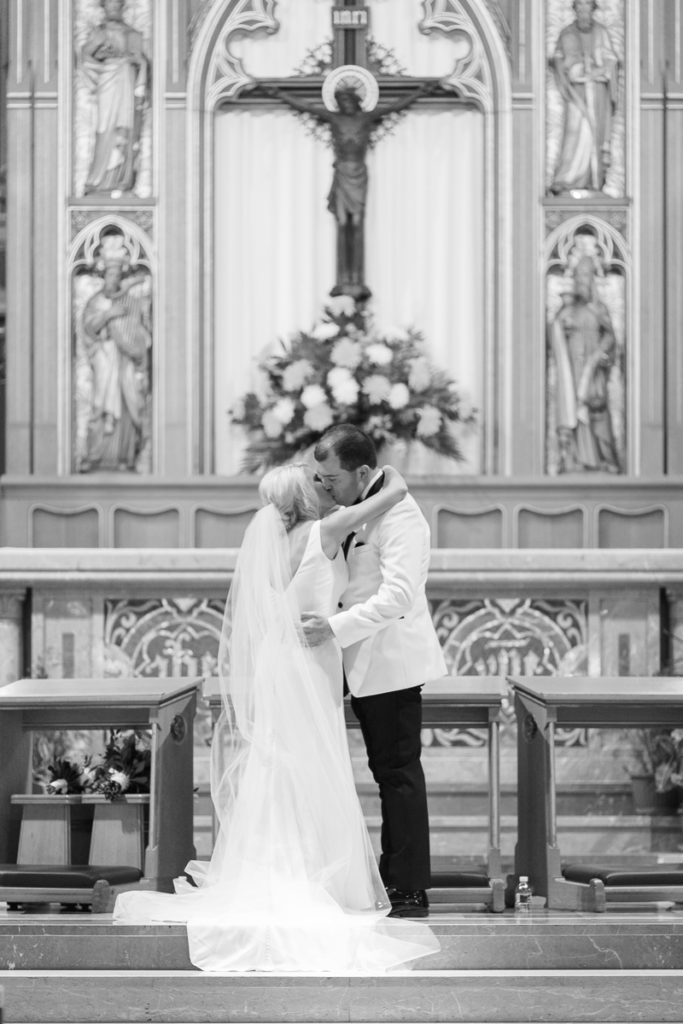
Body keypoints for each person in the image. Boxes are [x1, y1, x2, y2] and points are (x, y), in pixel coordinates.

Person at [113, 461, 439, 972]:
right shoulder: (323, 530)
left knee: (278, 763)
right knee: (309, 764)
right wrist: (396, 481)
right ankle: (316, 876)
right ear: (305, 498)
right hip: (309, 659)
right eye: (318, 480)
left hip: (278, 660)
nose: (326, 483)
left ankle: (278, 868)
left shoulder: (274, 538)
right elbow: (381, 502)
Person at [303, 424, 447, 919]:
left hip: (388, 660)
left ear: (362, 472)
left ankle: (408, 887)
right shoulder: (355, 506)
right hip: (344, 655)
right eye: (319, 478)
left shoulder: (402, 515)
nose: (325, 487)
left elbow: (400, 596)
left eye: (332, 478)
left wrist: (334, 627)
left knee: (396, 773)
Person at [261, 80, 434, 295]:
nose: (345, 104)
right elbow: (305, 107)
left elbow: (394, 107)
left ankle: (356, 276)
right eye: (341, 101)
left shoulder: (364, 118)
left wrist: (419, 93)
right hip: (342, 173)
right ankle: (345, 277)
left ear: (355, 101)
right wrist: (279, 93)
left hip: (358, 173)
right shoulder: (335, 119)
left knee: (358, 222)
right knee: (343, 224)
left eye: (348, 100)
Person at [80, 252, 151, 472]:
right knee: (101, 406)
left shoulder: (130, 302)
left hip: (124, 362)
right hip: (104, 359)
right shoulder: (96, 301)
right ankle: (94, 456)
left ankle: (126, 457)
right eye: (110, 274)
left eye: (117, 275)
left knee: (129, 406)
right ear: (104, 276)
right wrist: (109, 314)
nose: (114, 279)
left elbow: (140, 334)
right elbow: (88, 327)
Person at [550, 255, 621, 473]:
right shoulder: (569, 310)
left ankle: (606, 458)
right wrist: (562, 326)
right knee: (574, 409)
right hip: (572, 367)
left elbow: (610, 337)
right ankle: (574, 459)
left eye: (585, 276)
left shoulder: (599, 309)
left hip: (593, 369)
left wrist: (598, 356)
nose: (581, 280)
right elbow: (555, 334)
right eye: (578, 276)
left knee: (596, 410)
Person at [549, 0, 619, 195]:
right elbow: (559, 59)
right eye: (580, 9)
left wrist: (599, 71)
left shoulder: (601, 32)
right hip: (576, 94)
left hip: (596, 92)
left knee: (595, 133)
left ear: (592, 10)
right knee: (575, 130)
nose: (583, 13)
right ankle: (568, 178)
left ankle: (594, 180)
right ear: (575, 10)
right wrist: (573, 68)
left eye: (587, 9)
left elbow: (611, 60)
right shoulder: (567, 33)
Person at [81, 0, 149, 195]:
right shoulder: (99, 32)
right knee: (105, 128)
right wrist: (102, 54)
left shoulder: (133, 34)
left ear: (122, 7)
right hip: (107, 83)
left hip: (126, 81)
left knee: (125, 129)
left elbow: (142, 62)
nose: (112, 9)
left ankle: (121, 178)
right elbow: (85, 57)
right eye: (108, 5)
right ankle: (99, 179)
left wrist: (138, 62)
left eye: (115, 5)